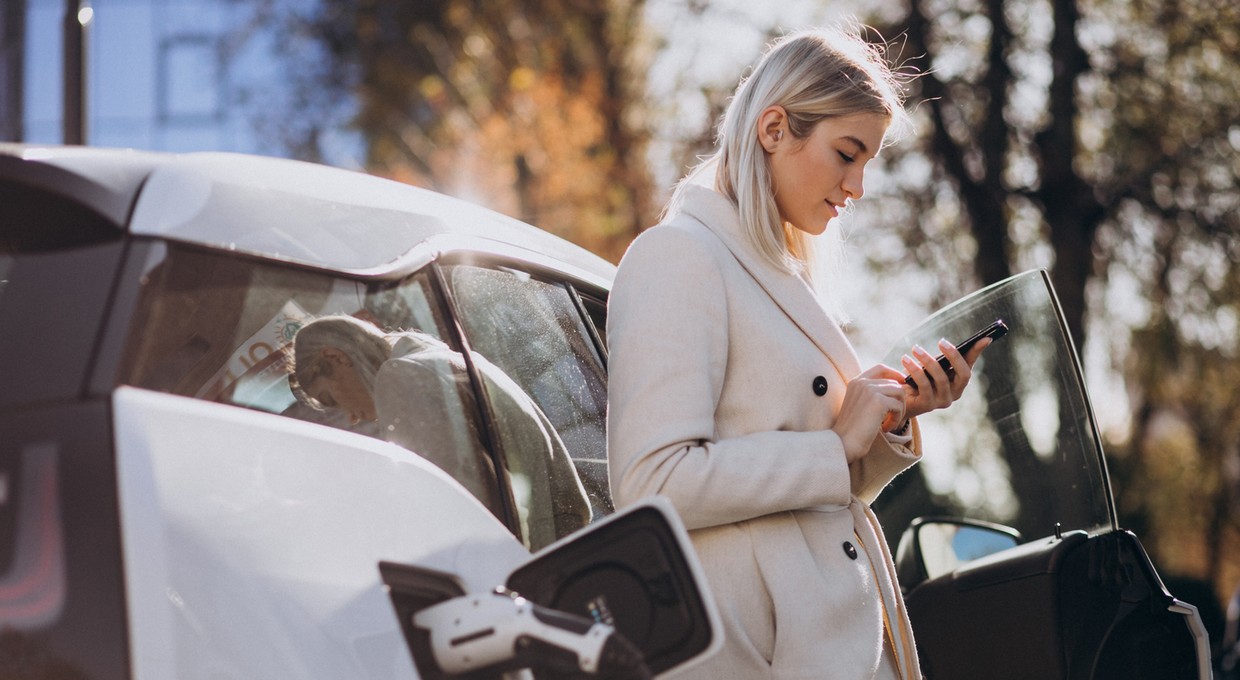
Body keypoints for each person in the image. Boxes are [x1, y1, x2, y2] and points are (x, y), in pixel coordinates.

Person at [606, 26, 991, 680]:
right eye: (847, 153)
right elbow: (652, 483)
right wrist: (835, 442)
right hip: (759, 655)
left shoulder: (779, 273)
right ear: (774, 128)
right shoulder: (678, 257)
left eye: (867, 161)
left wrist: (888, 418)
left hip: (831, 644)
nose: (857, 186)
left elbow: (818, 493)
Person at [289, 314, 591, 548]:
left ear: (336, 357)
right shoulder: (444, 361)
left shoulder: (402, 377)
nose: (351, 418)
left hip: (532, 568)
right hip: (559, 545)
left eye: (331, 399)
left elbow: (463, 513)